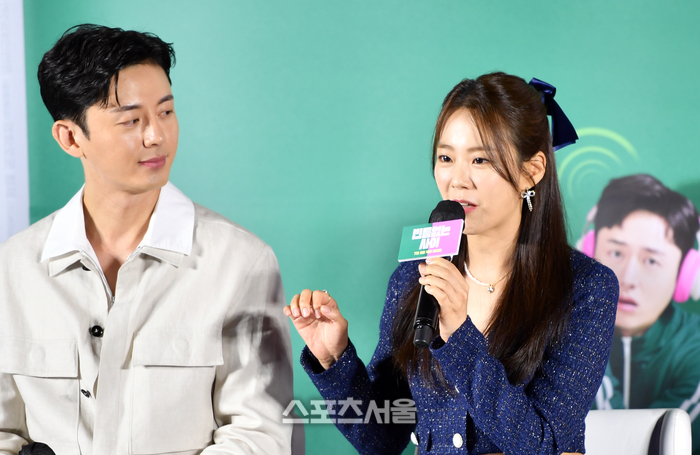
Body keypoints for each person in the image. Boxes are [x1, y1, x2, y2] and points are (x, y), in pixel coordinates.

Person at [0, 24, 298, 454]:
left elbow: (259, 435)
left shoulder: (240, 262)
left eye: (166, 112)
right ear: (70, 138)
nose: (156, 135)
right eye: (131, 120)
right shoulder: (13, 268)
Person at [284, 72, 619, 454]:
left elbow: (546, 444)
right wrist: (334, 359)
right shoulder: (414, 277)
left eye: (480, 159)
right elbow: (382, 439)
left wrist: (459, 335)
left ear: (532, 170)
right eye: (446, 158)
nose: (457, 180)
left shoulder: (586, 287)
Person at [583, 174, 700, 454]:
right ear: (588, 252)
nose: (628, 278)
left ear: (684, 275)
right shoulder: (559, 328)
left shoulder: (695, 347)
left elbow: (647, 446)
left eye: (651, 260)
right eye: (616, 253)